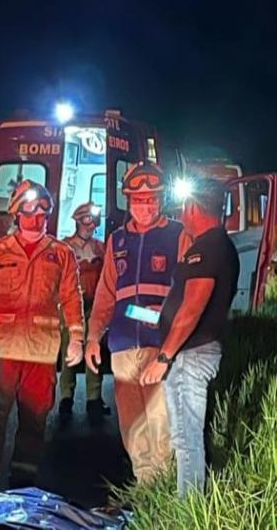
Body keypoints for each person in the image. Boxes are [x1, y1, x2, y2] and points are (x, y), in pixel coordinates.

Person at [85, 162, 193, 483]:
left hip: (159, 345)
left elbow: (192, 292)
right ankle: (147, 489)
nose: (145, 205)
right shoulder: (117, 240)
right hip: (121, 345)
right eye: (138, 198)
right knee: (132, 425)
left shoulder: (178, 235)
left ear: (161, 200)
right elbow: (106, 294)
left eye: (151, 199)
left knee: (160, 423)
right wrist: (93, 336)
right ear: (128, 200)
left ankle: (162, 491)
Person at [0, 179, 85, 485]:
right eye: (30, 210)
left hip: (41, 352)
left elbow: (72, 297)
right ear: (17, 213)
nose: (37, 217)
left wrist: (76, 338)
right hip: (3, 349)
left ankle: (23, 483)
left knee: (35, 421)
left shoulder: (61, 254)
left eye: (43, 212)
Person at [140, 179, 238, 497]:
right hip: (192, 353)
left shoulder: (208, 247)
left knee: (186, 437)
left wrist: (164, 357)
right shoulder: (215, 244)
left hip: (189, 356)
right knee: (186, 434)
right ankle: (190, 502)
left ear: (193, 208)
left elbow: (191, 309)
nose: (181, 215)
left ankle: (189, 507)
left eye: (184, 208)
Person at [59, 202, 109, 417]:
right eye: (87, 222)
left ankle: (93, 398)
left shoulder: (100, 247)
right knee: (68, 350)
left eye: (93, 223)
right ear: (78, 222)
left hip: (94, 304)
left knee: (93, 347)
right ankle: (65, 397)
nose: (91, 227)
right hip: (71, 306)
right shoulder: (65, 247)